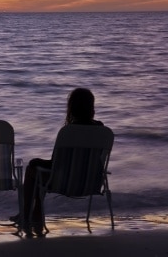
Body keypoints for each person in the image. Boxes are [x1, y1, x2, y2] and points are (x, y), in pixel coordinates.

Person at [12, 88, 103, 237]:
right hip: (91, 183)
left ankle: (27, 214)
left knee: (32, 170)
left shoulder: (68, 132)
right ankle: (34, 214)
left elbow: (55, 164)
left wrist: (36, 161)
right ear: (91, 107)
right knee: (39, 172)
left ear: (71, 107)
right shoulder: (101, 129)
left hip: (65, 183)